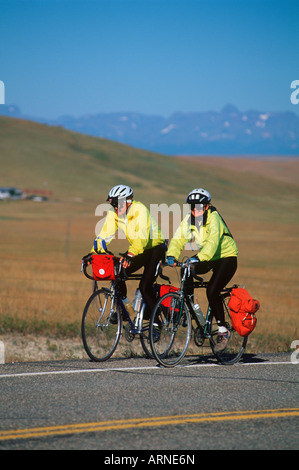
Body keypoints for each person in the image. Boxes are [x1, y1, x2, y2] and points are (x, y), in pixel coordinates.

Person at [166, 188, 238, 351]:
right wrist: (171, 255)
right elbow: (178, 239)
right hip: (208, 257)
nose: (194, 210)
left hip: (226, 258)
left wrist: (198, 257)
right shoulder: (190, 219)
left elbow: (212, 242)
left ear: (206, 207)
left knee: (212, 291)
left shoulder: (214, 218)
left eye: (198, 207)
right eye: (191, 207)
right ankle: (187, 305)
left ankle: (222, 330)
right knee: (186, 269)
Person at [86, 185, 166, 319]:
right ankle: (126, 311)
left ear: (127, 201)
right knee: (117, 273)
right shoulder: (115, 213)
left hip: (155, 249)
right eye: (112, 204)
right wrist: (93, 253)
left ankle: (156, 321)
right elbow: (105, 235)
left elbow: (142, 237)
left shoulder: (140, 210)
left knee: (145, 287)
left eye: (116, 204)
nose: (114, 207)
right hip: (138, 249)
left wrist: (130, 254)